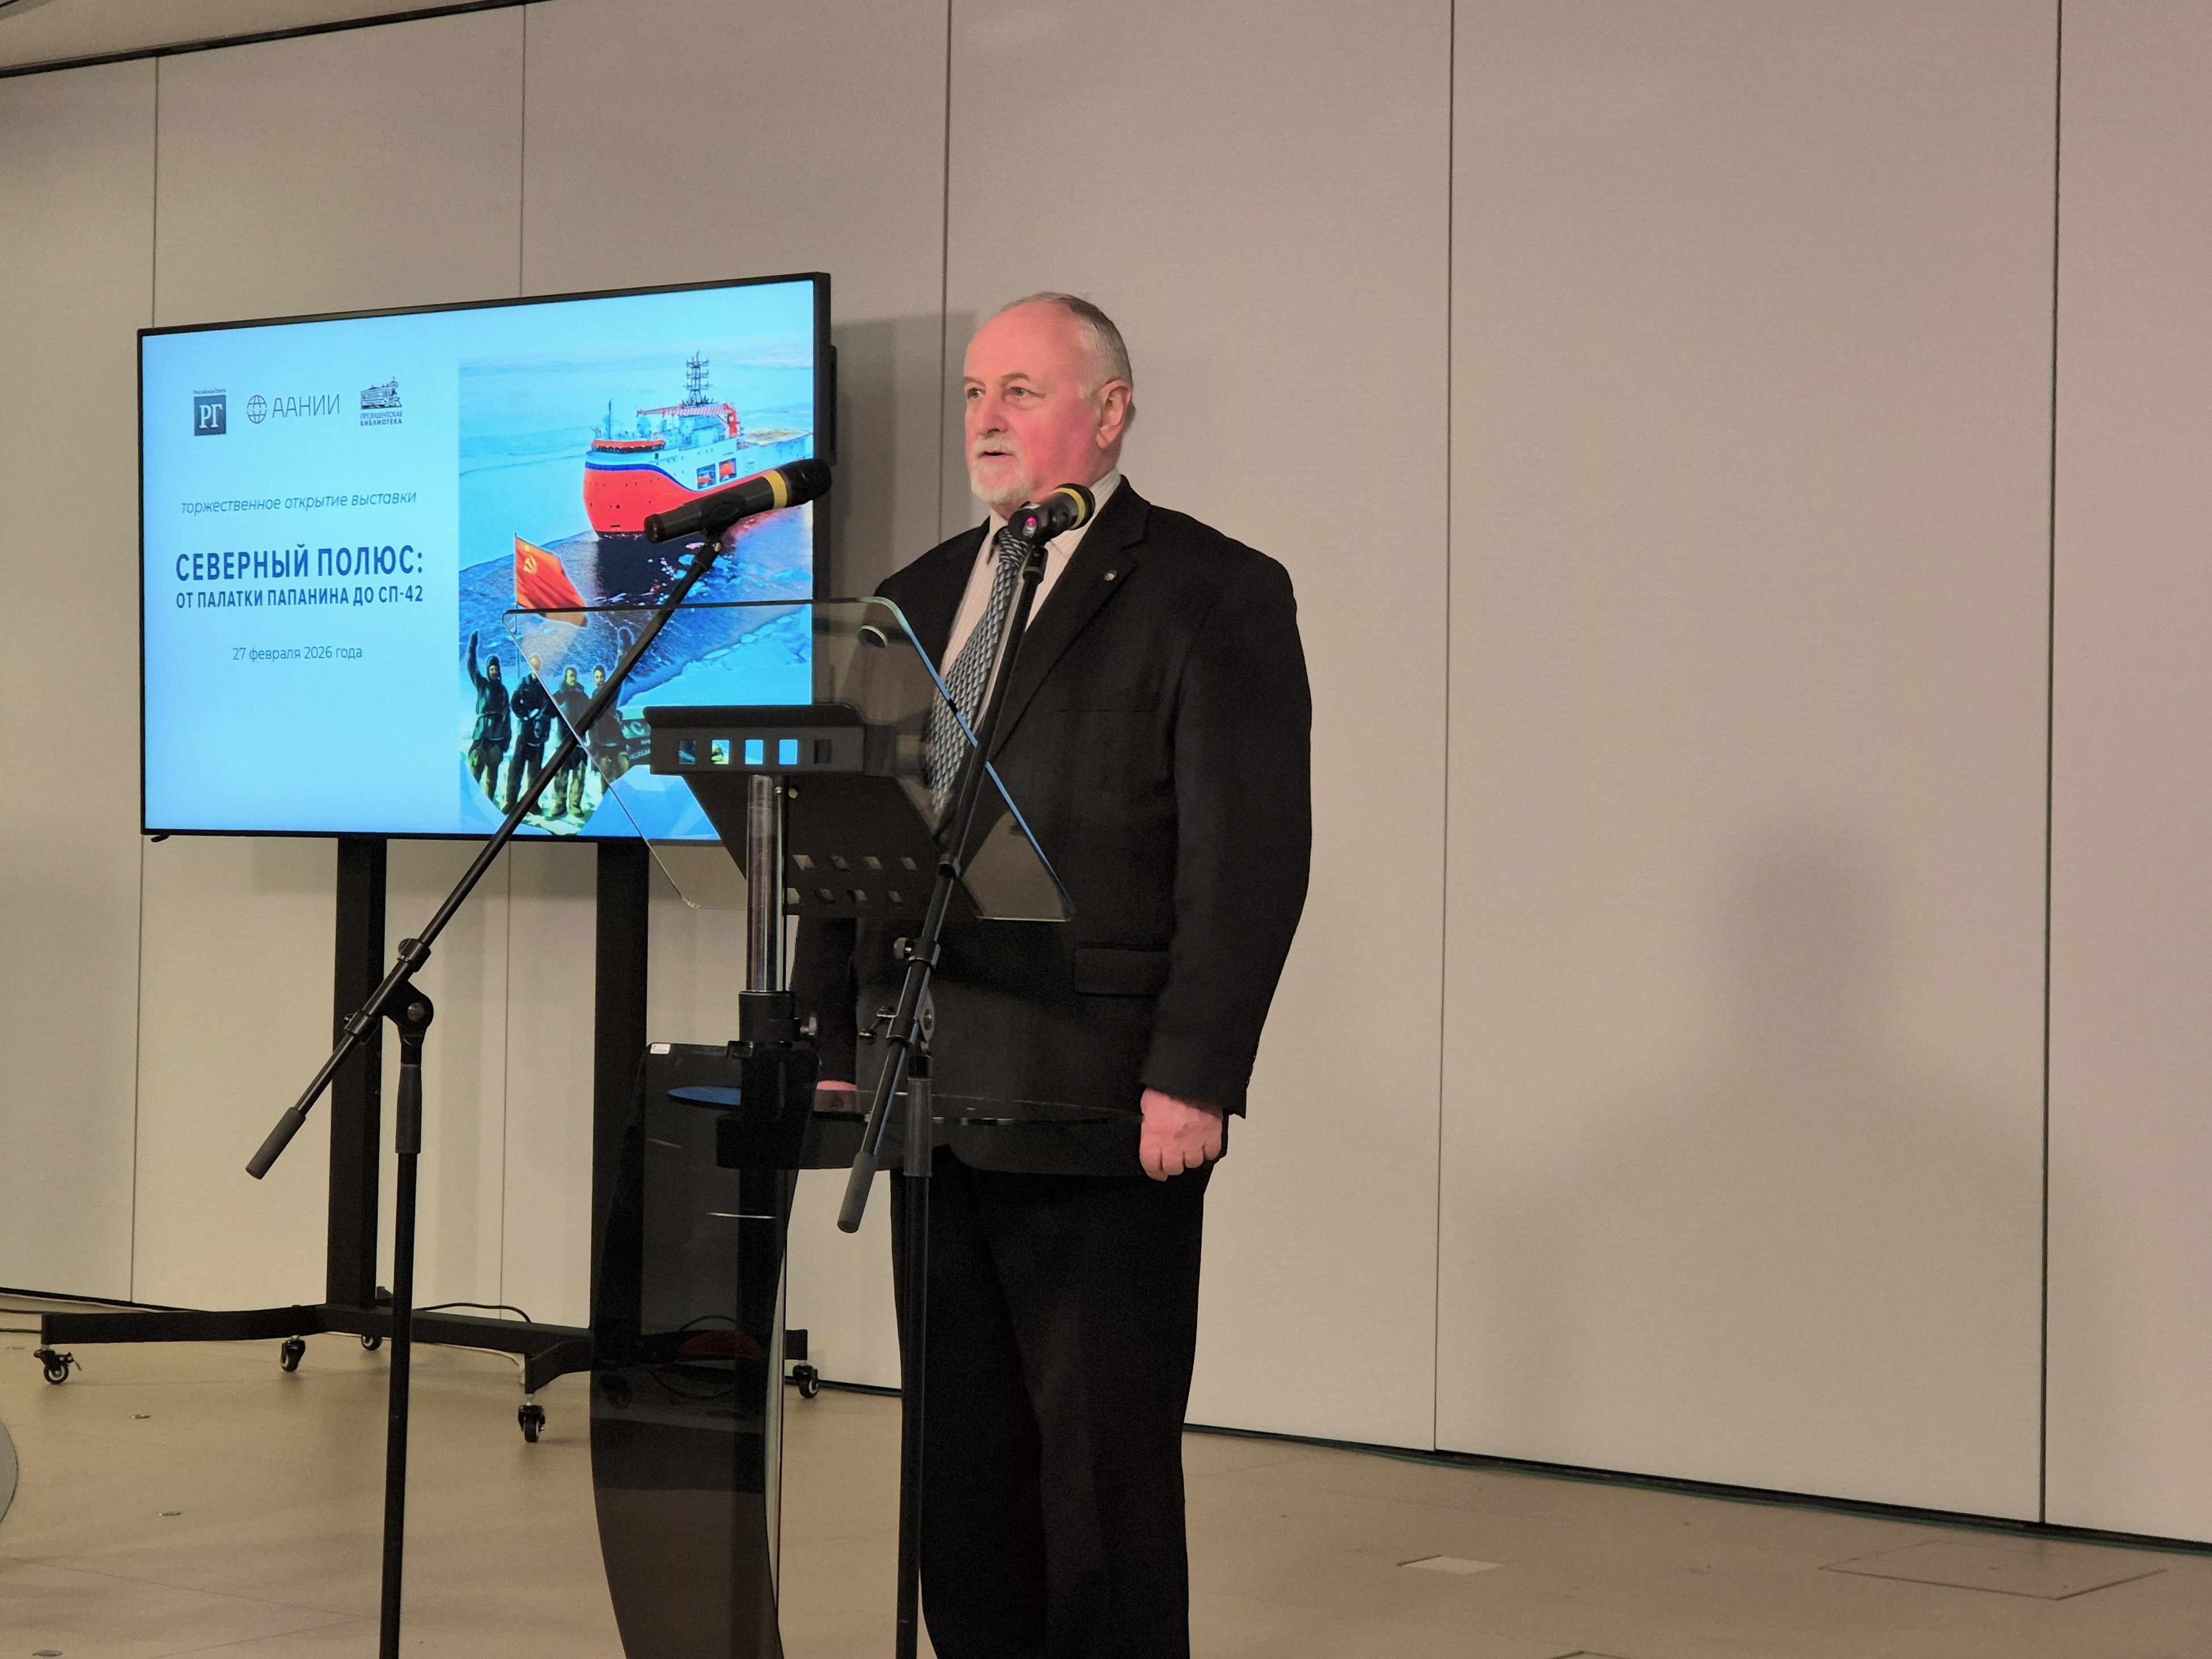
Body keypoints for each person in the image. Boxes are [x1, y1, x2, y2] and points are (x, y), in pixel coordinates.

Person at [796, 294, 1311, 1658]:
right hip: (929, 1091)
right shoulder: (913, 599)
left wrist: (1195, 1075)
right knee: (960, 1464)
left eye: (1020, 391)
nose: (985, 419)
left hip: (1100, 1098)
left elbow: (1248, 858)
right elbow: (848, 841)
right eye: (974, 393)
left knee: (1101, 1471)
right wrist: (834, 1048)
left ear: (1112, 410)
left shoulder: (1212, 589)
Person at [463, 632, 510, 805]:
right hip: (482, 738)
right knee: (475, 772)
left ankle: (488, 805)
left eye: (496, 669)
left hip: (497, 740)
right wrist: (472, 647)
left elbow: (507, 716)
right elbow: (471, 667)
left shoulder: (503, 691)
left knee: (492, 777)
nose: (494, 672)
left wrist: (507, 740)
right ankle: (470, 804)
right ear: (488, 670)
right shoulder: (483, 685)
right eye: (492, 669)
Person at [505, 654, 555, 813]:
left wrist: (543, 716)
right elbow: (514, 703)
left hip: (538, 737)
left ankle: (533, 804)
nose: (536, 669)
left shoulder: (545, 687)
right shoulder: (523, 683)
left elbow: (552, 709)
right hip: (524, 735)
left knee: (535, 773)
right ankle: (511, 801)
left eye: (538, 666)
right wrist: (525, 715)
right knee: (516, 770)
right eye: (533, 666)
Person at [551, 665, 592, 819]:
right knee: (561, 776)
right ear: (566, 678)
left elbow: (591, 715)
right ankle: (559, 805)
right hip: (563, 742)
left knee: (579, 776)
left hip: (580, 743)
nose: (573, 678)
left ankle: (575, 805)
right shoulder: (559, 695)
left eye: (575, 676)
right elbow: (548, 711)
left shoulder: (583, 697)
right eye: (570, 676)